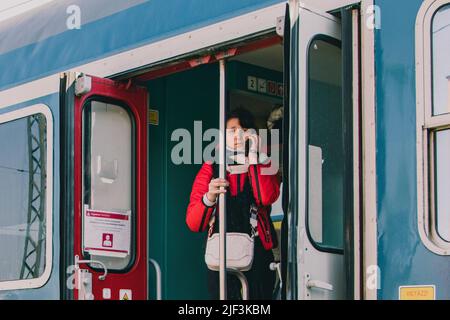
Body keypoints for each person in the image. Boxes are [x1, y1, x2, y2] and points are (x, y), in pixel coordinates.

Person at [186, 107, 280, 300]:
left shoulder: (264, 162)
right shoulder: (211, 167)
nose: (238, 136)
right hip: (219, 255)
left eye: (244, 130)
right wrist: (209, 197)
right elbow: (194, 223)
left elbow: (266, 197)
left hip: (257, 255)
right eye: (231, 131)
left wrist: (253, 158)